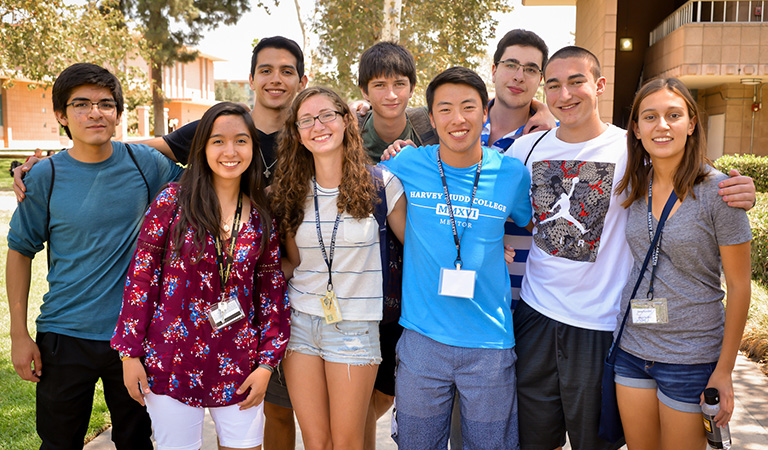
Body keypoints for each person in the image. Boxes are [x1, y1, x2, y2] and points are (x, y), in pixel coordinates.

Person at [505, 47, 756, 450]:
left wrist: (739, 188)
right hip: (536, 314)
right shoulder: (525, 151)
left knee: (594, 441)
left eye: (576, 82)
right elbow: (481, 194)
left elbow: (686, 174)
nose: (564, 94)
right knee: (534, 438)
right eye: (553, 85)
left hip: (603, 324)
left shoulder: (630, 149)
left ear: (599, 86)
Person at [7, 62, 183, 449]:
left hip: (135, 335)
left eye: (105, 103)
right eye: (81, 104)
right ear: (61, 115)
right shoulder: (44, 177)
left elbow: (207, 179)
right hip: (65, 334)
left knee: (136, 440)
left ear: (118, 113)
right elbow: (20, 252)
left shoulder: (145, 165)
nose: (95, 112)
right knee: (58, 443)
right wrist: (19, 334)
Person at [111, 102, 290, 450]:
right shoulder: (171, 202)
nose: (230, 151)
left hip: (239, 363)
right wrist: (129, 355)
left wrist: (267, 364)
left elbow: (272, 295)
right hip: (170, 361)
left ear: (253, 147)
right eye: (217, 141)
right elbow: (140, 279)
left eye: (241, 140)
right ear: (201, 148)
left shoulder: (261, 217)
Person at [381, 67, 532, 450]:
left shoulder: (512, 173)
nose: (457, 119)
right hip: (421, 341)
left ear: (485, 113)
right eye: (445, 109)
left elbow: (528, 224)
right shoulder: (407, 164)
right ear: (431, 119)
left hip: (490, 345)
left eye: (468, 107)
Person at [612, 78, 751, 449]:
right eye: (650, 117)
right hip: (631, 350)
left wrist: (725, 371)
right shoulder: (632, 188)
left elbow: (739, 288)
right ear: (637, 129)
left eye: (673, 115)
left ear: (691, 124)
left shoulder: (721, 194)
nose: (662, 125)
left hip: (691, 358)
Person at [270, 86, 407, 450]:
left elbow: (420, 248)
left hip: (355, 325)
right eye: (306, 120)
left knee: (347, 442)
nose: (318, 125)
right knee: (317, 442)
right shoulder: (290, 192)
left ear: (347, 121)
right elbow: (291, 262)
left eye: (327, 115)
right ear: (297, 134)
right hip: (300, 322)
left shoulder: (382, 184)